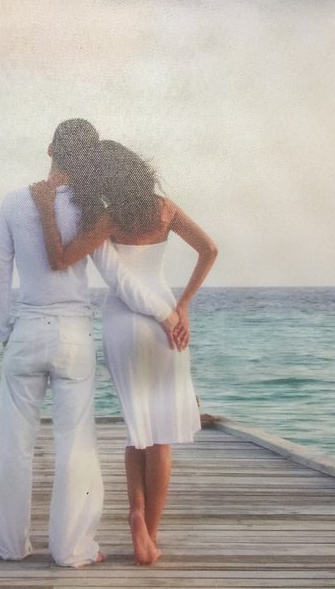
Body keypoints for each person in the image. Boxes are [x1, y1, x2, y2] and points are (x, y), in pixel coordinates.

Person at [0, 120, 182, 568]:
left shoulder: (14, 202)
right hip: (73, 336)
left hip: (26, 331)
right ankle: (72, 549)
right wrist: (165, 312)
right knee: (75, 444)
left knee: (12, 444)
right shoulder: (89, 208)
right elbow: (117, 276)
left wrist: (4, 331)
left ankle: (11, 545)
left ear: (50, 148)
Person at [30, 140, 217, 565]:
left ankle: (134, 511)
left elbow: (61, 259)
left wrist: (45, 210)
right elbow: (210, 250)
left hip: (122, 324)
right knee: (161, 437)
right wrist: (184, 304)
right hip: (166, 318)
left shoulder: (107, 218)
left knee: (139, 429)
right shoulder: (165, 209)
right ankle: (149, 533)